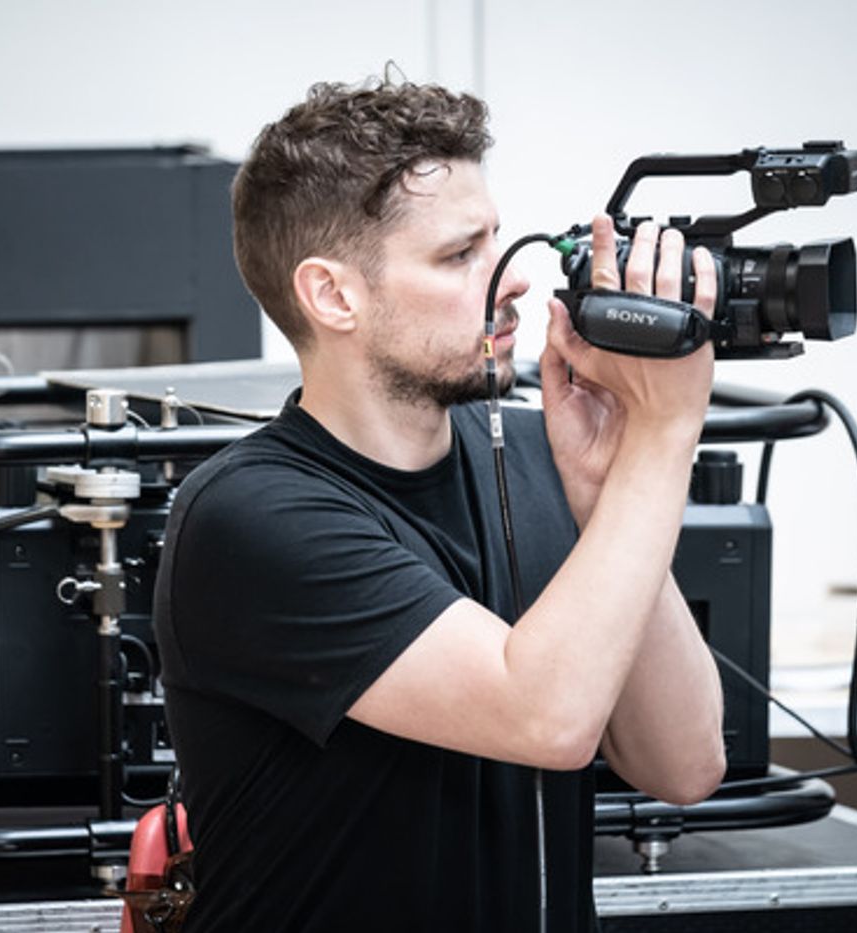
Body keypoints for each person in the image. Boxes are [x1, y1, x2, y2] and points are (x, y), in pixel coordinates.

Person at [153, 76, 726, 933]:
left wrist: (608, 488)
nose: (515, 282)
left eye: (496, 241)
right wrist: (664, 433)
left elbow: (684, 762)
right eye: (461, 257)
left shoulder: (538, 453)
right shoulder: (250, 516)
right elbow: (547, 715)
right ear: (333, 295)